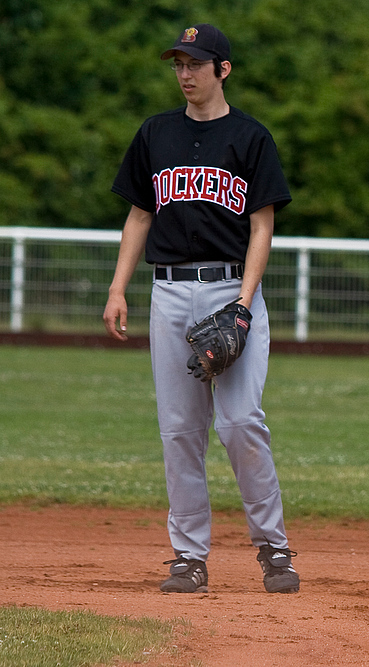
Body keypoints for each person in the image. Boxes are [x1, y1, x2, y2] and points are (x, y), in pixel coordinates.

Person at [102, 23, 299, 594]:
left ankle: (273, 546)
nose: (185, 74)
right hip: (167, 293)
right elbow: (140, 215)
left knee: (241, 424)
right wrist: (119, 289)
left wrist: (243, 305)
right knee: (180, 430)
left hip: (231, 289)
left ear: (223, 69)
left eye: (195, 64)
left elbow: (262, 227)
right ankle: (188, 556)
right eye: (178, 64)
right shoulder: (155, 133)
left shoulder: (250, 137)